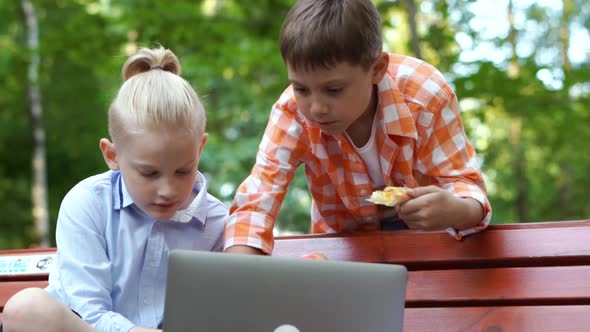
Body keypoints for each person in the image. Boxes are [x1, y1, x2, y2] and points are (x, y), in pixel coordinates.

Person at [224, 0, 492, 256]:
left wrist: (457, 211)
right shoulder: (292, 112)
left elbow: (466, 186)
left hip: (433, 241)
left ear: (377, 69)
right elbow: (258, 199)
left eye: (334, 89)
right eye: (301, 88)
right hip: (346, 248)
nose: (316, 107)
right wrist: (239, 271)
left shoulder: (426, 95)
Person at [1, 46, 227, 332]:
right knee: (27, 309)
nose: (168, 190)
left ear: (201, 148)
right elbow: (87, 311)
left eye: (183, 171)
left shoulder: (218, 222)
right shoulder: (88, 203)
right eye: (149, 172)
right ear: (112, 156)